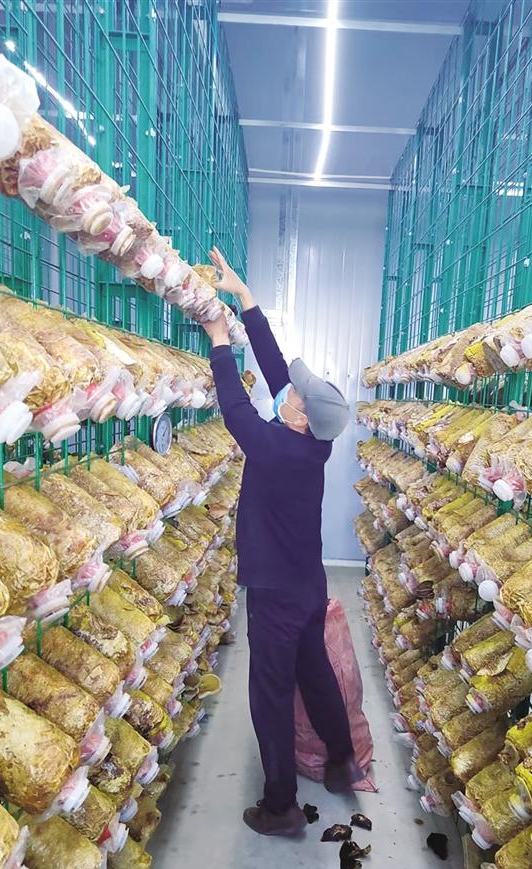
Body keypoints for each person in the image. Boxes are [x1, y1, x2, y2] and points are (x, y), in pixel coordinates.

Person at [201, 246, 363, 838]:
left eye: (294, 394)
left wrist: (220, 342)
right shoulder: (310, 439)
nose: (288, 389)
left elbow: (234, 407)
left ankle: (280, 806)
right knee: (313, 672)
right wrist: (246, 301)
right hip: (307, 584)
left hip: (274, 590)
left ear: (297, 416)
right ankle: (342, 762)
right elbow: (274, 371)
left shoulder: (275, 448)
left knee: (270, 693)